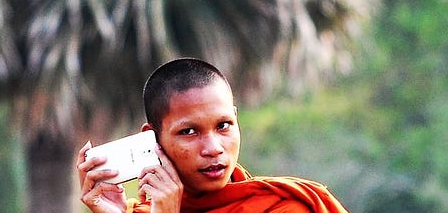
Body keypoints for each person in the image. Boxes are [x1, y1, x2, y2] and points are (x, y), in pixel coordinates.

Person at [76, 58, 349, 213]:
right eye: (189, 131)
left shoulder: (282, 207)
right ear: (154, 138)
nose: (214, 148)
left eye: (223, 126)